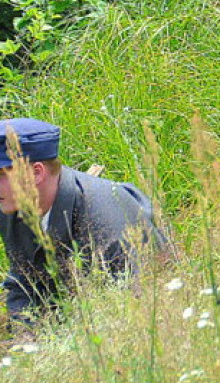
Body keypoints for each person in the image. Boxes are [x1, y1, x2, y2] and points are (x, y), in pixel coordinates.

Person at [0, 118, 165, 323]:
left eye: (1, 174)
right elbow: (23, 283)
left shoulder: (105, 220)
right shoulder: (14, 204)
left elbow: (131, 312)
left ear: (36, 173)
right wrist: (23, 338)